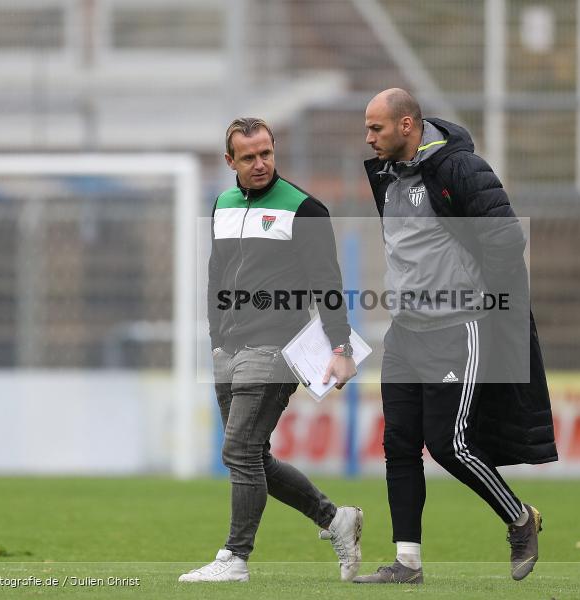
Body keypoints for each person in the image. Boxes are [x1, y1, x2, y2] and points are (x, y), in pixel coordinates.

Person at [354, 89, 557, 584]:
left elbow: (506, 238)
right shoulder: (387, 175)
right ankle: (406, 564)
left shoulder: (460, 169)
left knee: (450, 445)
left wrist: (481, 300)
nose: (368, 137)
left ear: (407, 126)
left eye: (376, 128)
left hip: (455, 328)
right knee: (399, 443)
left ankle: (520, 518)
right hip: (405, 331)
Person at [179, 117, 362, 583]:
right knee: (252, 454)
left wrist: (341, 348)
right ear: (230, 162)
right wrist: (215, 336)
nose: (260, 164)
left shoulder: (305, 209)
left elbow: (329, 285)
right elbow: (217, 275)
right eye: (248, 157)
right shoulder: (221, 203)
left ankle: (235, 558)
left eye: (266, 153)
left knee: (238, 449)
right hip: (229, 348)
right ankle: (335, 519)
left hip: (277, 347)